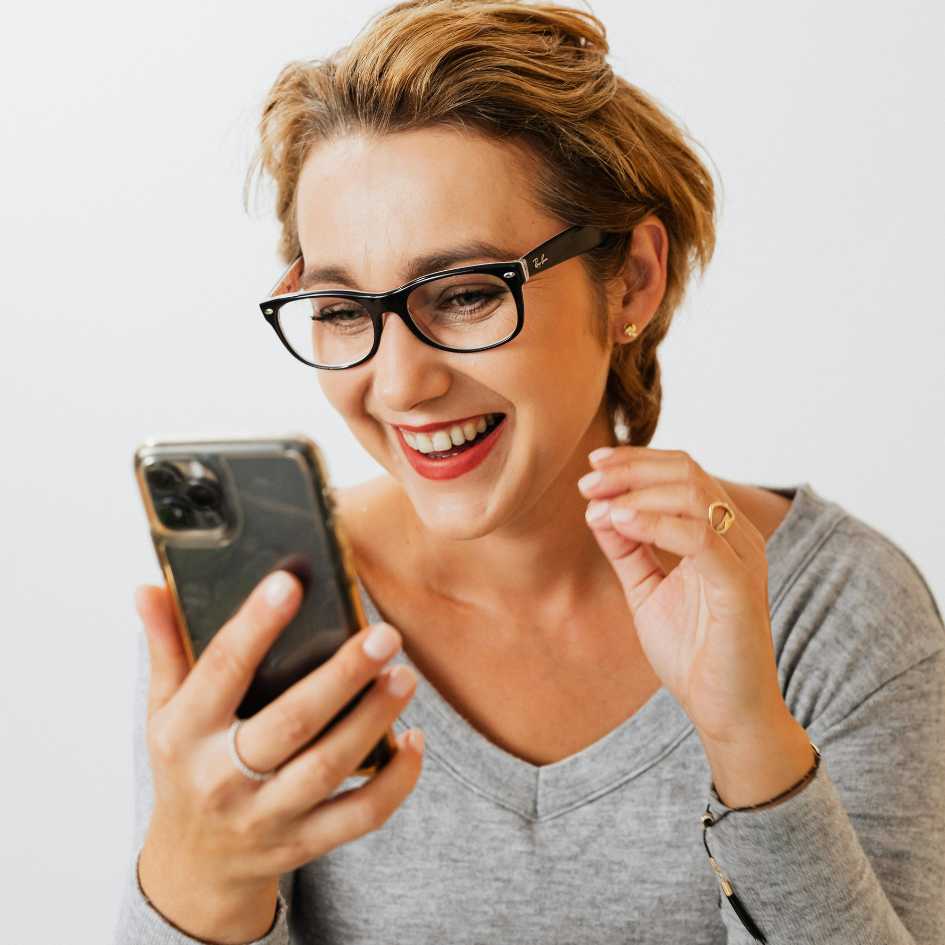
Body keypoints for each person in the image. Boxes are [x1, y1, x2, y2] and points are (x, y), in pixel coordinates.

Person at [114, 2, 945, 943]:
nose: (399, 383)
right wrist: (198, 862)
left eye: (467, 292)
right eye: (343, 308)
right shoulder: (267, 613)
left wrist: (748, 734)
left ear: (631, 277)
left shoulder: (833, 612)